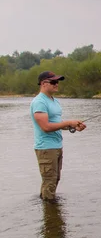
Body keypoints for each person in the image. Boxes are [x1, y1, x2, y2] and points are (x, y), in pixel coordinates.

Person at [30, 71, 86, 201]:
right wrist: (68, 122)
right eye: (54, 82)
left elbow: (56, 124)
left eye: (57, 82)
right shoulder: (39, 102)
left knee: (54, 179)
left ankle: (49, 211)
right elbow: (45, 127)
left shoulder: (54, 101)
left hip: (56, 146)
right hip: (46, 148)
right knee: (49, 181)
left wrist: (73, 126)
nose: (57, 84)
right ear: (44, 84)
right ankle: (50, 215)